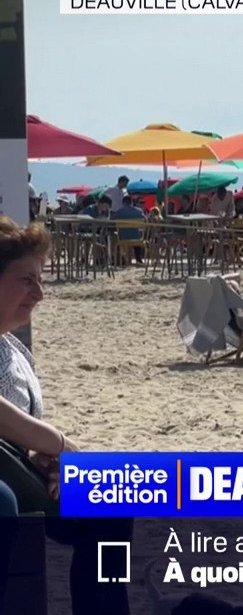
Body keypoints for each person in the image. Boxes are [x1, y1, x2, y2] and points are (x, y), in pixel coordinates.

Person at [0, 216, 133, 614]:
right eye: (27, 280)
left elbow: (20, 432)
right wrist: (58, 444)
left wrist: (50, 460)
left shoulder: (16, 352)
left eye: (41, 280)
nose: (39, 294)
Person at [112, 195, 148, 265]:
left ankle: (120, 259)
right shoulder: (139, 211)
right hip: (137, 238)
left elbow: (112, 221)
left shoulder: (119, 211)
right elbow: (145, 220)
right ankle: (138, 259)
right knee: (136, 233)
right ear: (131, 202)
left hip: (122, 237)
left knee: (114, 235)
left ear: (123, 203)